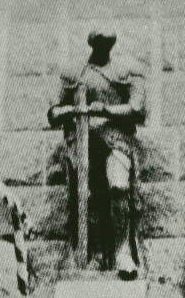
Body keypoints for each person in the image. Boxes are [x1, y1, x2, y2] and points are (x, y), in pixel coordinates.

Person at [48, 29, 147, 279]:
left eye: (107, 44)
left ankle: (123, 249)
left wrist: (108, 110)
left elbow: (137, 109)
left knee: (118, 187)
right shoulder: (76, 74)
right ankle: (89, 251)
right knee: (86, 194)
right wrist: (76, 109)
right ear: (92, 44)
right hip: (83, 141)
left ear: (111, 45)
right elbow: (53, 113)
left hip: (116, 140)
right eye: (98, 44)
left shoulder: (126, 71)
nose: (102, 49)